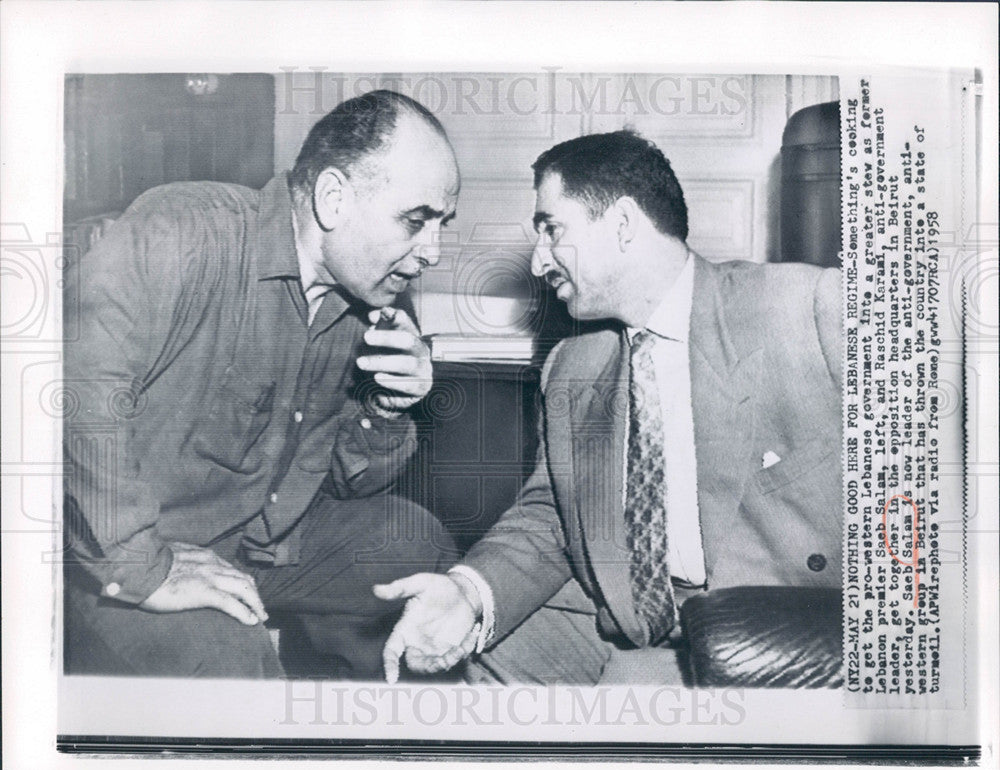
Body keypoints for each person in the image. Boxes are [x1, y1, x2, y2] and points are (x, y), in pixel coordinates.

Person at [375, 129, 842, 685]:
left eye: (552, 230)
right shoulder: (572, 366)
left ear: (622, 225)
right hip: (633, 618)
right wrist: (469, 592)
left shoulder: (807, 309)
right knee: (496, 657)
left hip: (782, 642)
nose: (538, 263)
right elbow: (552, 517)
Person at [63, 90, 461, 679]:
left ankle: (384, 742)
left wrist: (387, 405)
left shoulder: (369, 298)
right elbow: (67, 390)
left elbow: (354, 485)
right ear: (332, 199)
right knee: (232, 664)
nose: (433, 251)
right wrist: (142, 567)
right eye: (415, 221)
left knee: (420, 550)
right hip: (107, 553)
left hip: (258, 543)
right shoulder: (183, 232)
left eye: (442, 225)